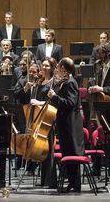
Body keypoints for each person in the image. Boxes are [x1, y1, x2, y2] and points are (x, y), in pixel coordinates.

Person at [47, 58, 84, 193]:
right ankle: (71, 183)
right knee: (67, 153)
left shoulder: (70, 83)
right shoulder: (64, 82)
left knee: (72, 153)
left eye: (58, 68)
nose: (56, 70)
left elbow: (70, 103)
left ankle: (75, 184)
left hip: (71, 126)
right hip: (64, 124)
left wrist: (54, 97)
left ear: (64, 69)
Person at [21, 58, 58, 189]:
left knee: (49, 151)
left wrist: (38, 102)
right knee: (42, 151)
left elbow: (53, 102)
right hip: (38, 118)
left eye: (47, 65)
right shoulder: (40, 81)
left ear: (52, 67)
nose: (44, 67)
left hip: (48, 118)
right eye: (43, 65)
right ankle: (43, 180)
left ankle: (50, 181)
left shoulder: (54, 82)